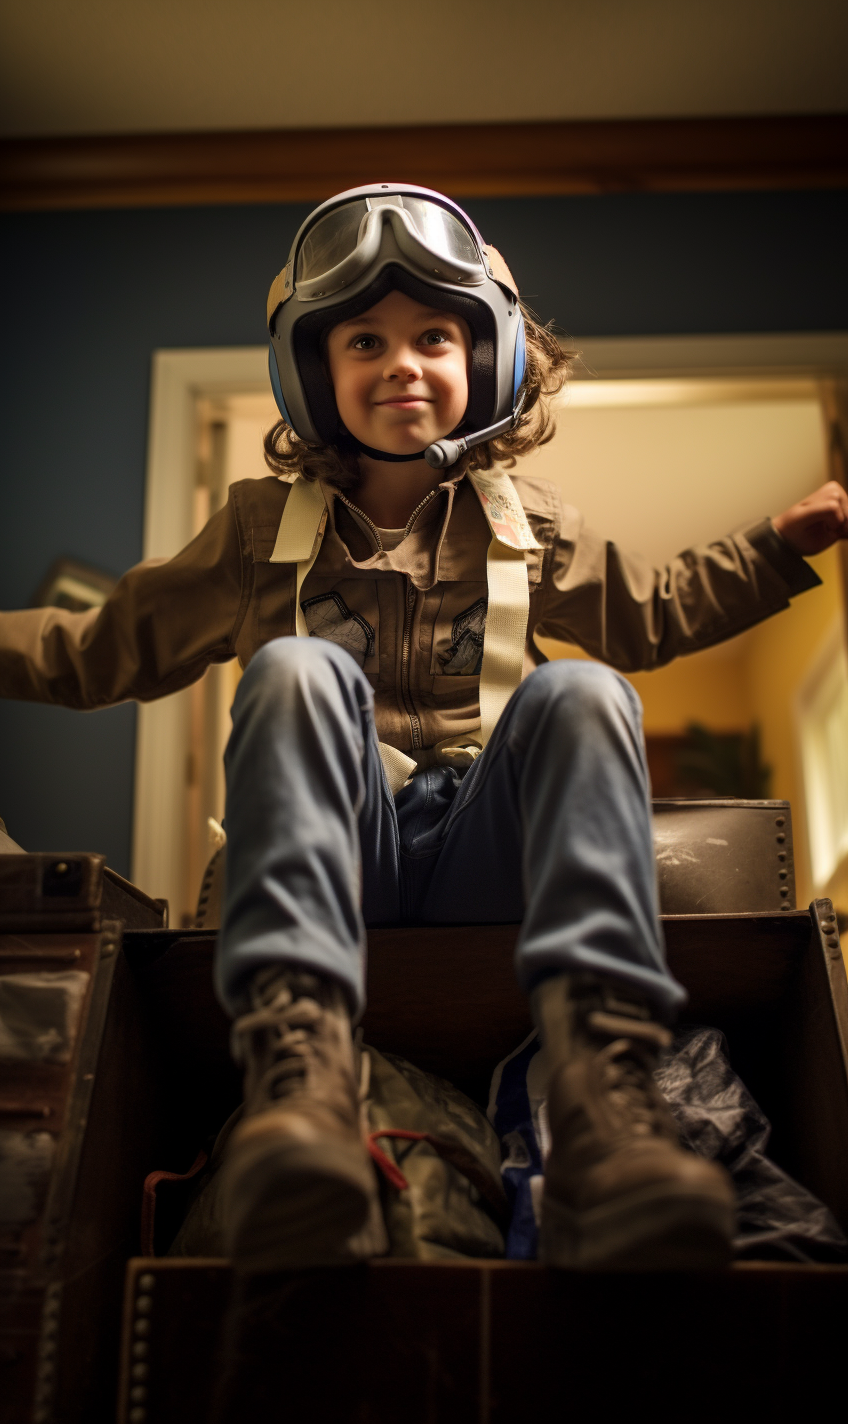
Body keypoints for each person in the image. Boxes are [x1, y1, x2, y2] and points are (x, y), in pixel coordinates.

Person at [1, 185, 846, 1274]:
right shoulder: (260, 529)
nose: (401, 361)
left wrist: (778, 545)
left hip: (479, 854)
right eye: (365, 339)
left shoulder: (524, 522)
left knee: (582, 693)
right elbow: (99, 649)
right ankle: (296, 1093)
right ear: (313, 374)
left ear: (484, 360)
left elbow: (654, 613)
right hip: (339, 858)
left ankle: (606, 1100)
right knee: (294, 666)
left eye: (432, 336)